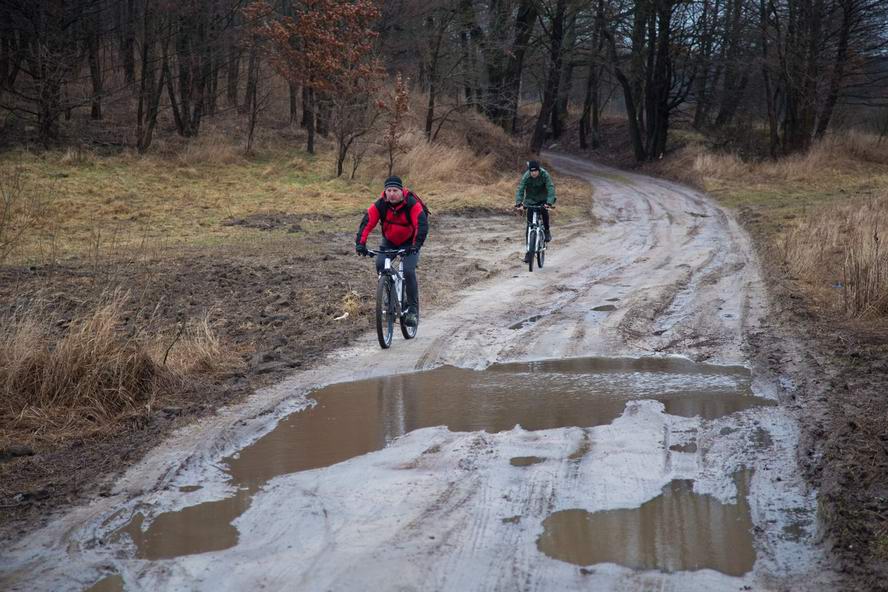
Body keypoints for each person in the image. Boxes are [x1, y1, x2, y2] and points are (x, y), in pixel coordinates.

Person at [355, 176, 428, 327]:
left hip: (410, 243)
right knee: (380, 264)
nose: (392, 194)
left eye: (395, 190)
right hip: (389, 242)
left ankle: (412, 310)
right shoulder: (380, 205)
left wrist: (416, 245)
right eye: (388, 190)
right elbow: (367, 223)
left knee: (408, 271)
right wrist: (360, 244)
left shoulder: (412, 204)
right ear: (385, 192)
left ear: (401, 191)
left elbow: (421, 225)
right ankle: (388, 291)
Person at [514, 160, 556, 263]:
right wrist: (519, 202)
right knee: (529, 226)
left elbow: (550, 188)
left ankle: (546, 231)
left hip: (543, 199)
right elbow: (520, 188)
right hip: (530, 200)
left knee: (544, 211)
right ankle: (529, 252)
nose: (533, 173)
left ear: (538, 170)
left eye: (535, 171)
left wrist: (549, 202)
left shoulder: (545, 175)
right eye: (531, 171)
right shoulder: (526, 176)